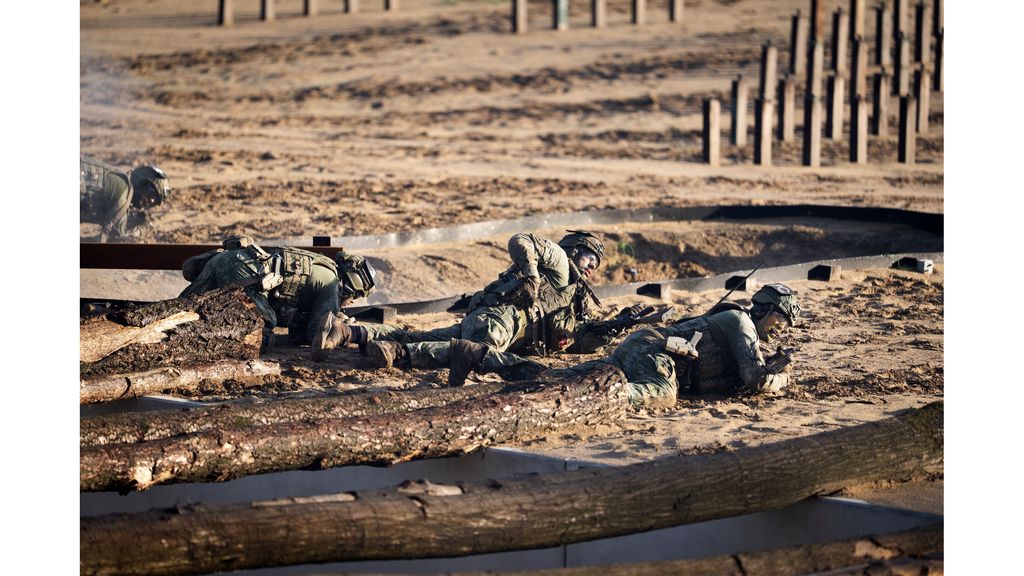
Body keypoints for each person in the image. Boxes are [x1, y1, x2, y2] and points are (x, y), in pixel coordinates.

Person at [316, 230, 606, 385]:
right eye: (590, 258)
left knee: (423, 337)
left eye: (597, 265)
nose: (593, 267)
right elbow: (520, 239)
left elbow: (570, 340)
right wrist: (531, 275)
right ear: (576, 249)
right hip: (500, 321)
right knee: (472, 354)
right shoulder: (558, 261)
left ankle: (348, 332)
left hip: (489, 319)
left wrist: (605, 332)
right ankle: (398, 354)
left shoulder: (575, 295)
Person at [550, 283, 802, 409]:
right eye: (782, 318)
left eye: (788, 325)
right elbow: (755, 379)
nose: (782, 328)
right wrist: (783, 380)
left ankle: (516, 369)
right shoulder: (741, 323)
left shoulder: (744, 327)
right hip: (654, 350)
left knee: (570, 375)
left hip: (645, 348)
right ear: (766, 310)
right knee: (663, 393)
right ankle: (600, 397)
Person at [179, 236, 377, 356]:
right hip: (245, 275)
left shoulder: (323, 263)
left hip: (228, 259)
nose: (351, 302)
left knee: (178, 310)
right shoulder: (332, 284)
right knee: (265, 330)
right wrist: (342, 329)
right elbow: (316, 334)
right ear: (354, 285)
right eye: (356, 297)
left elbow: (297, 329)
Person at [80, 156, 171, 242]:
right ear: (140, 181)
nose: (152, 201)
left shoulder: (121, 182)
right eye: (151, 192)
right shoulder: (122, 189)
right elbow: (117, 241)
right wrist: (142, 230)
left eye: (156, 201)